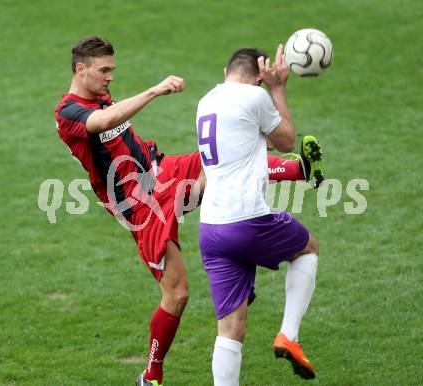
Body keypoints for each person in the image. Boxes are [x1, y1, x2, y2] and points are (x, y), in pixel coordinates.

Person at [55, 36, 322, 386]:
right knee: (177, 294)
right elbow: (103, 122)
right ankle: (151, 374)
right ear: (80, 69)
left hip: (157, 171)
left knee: (221, 160)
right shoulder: (68, 112)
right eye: (104, 71)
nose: (110, 78)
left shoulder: (100, 93)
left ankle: (299, 169)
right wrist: (154, 90)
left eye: (112, 71)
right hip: (138, 204)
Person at [196, 45, 320, 385]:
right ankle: (289, 336)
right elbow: (286, 141)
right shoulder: (255, 97)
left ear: (226, 72)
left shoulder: (206, 101)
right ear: (259, 77)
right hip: (248, 221)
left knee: (230, 328)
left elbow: (249, 141)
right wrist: (278, 88)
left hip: (211, 229)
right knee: (308, 248)